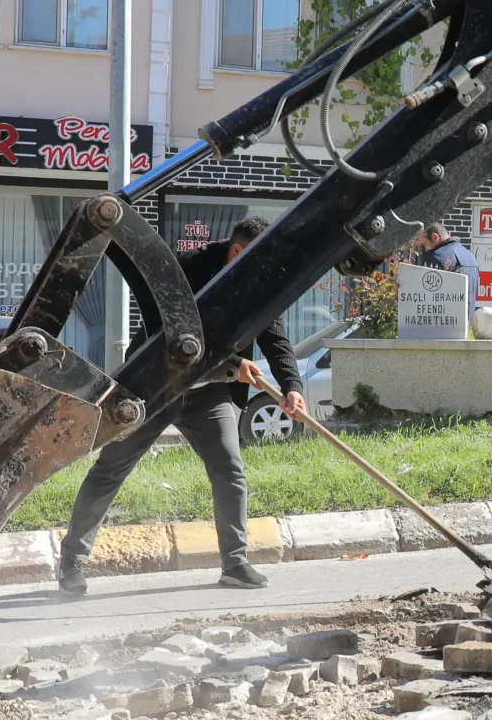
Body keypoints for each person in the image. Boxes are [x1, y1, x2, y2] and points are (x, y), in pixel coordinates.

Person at [57, 218, 306, 596]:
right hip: (155, 387)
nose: (264, 272)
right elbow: (173, 339)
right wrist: (232, 366)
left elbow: (275, 337)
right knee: (111, 468)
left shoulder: (255, 277)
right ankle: (71, 563)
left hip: (209, 395)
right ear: (237, 252)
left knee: (230, 471)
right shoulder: (185, 270)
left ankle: (235, 564)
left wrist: (292, 387)